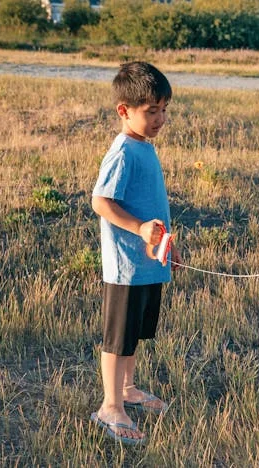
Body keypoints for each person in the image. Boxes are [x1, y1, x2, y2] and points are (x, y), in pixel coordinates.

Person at [90, 61, 182, 445]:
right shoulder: (124, 151)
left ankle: (127, 389)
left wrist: (164, 244)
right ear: (124, 111)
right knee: (118, 339)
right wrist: (139, 228)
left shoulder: (144, 145)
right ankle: (110, 406)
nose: (160, 118)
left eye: (164, 110)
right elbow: (100, 201)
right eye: (151, 112)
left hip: (147, 264)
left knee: (136, 335)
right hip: (125, 267)